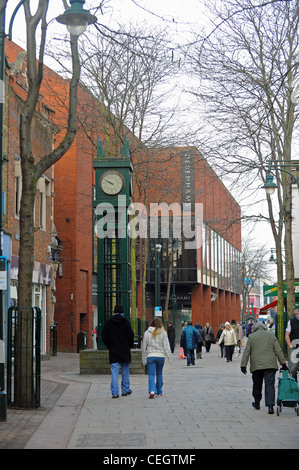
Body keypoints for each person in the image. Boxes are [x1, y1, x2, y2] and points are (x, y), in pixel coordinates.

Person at [241, 322, 288, 414]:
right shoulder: (271, 336)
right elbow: (278, 350)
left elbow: (246, 352)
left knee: (257, 384)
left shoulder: (252, 337)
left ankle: (257, 403)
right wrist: (283, 364)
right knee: (269, 385)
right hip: (270, 365)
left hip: (256, 366)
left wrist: (243, 365)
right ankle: (270, 406)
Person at [101, 304, 134, 399]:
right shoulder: (126, 322)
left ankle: (115, 393)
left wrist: (109, 345)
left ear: (114, 312)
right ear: (122, 312)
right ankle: (125, 390)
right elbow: (131, 335)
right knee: (125, 371)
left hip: (114, 350)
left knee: (114, 372)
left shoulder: (109, 323)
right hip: (124, 350)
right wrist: (129, 345)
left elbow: (103, 336)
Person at [142, 317, 172, 398]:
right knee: (159, 374)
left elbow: (144, 346)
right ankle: (159, 391)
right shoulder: (163, 333)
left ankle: (152, 390)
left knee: (151, 374)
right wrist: (169, 356)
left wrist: (143, 358)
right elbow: (166, 346)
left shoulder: (147, 333)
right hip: (160, 356)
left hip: (151, 356)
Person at [285, 308, 299, 382]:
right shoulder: (291, 321)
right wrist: (290, 345)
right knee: (293, 368)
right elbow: (287, 335)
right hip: (294, 347)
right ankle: (294, 384)